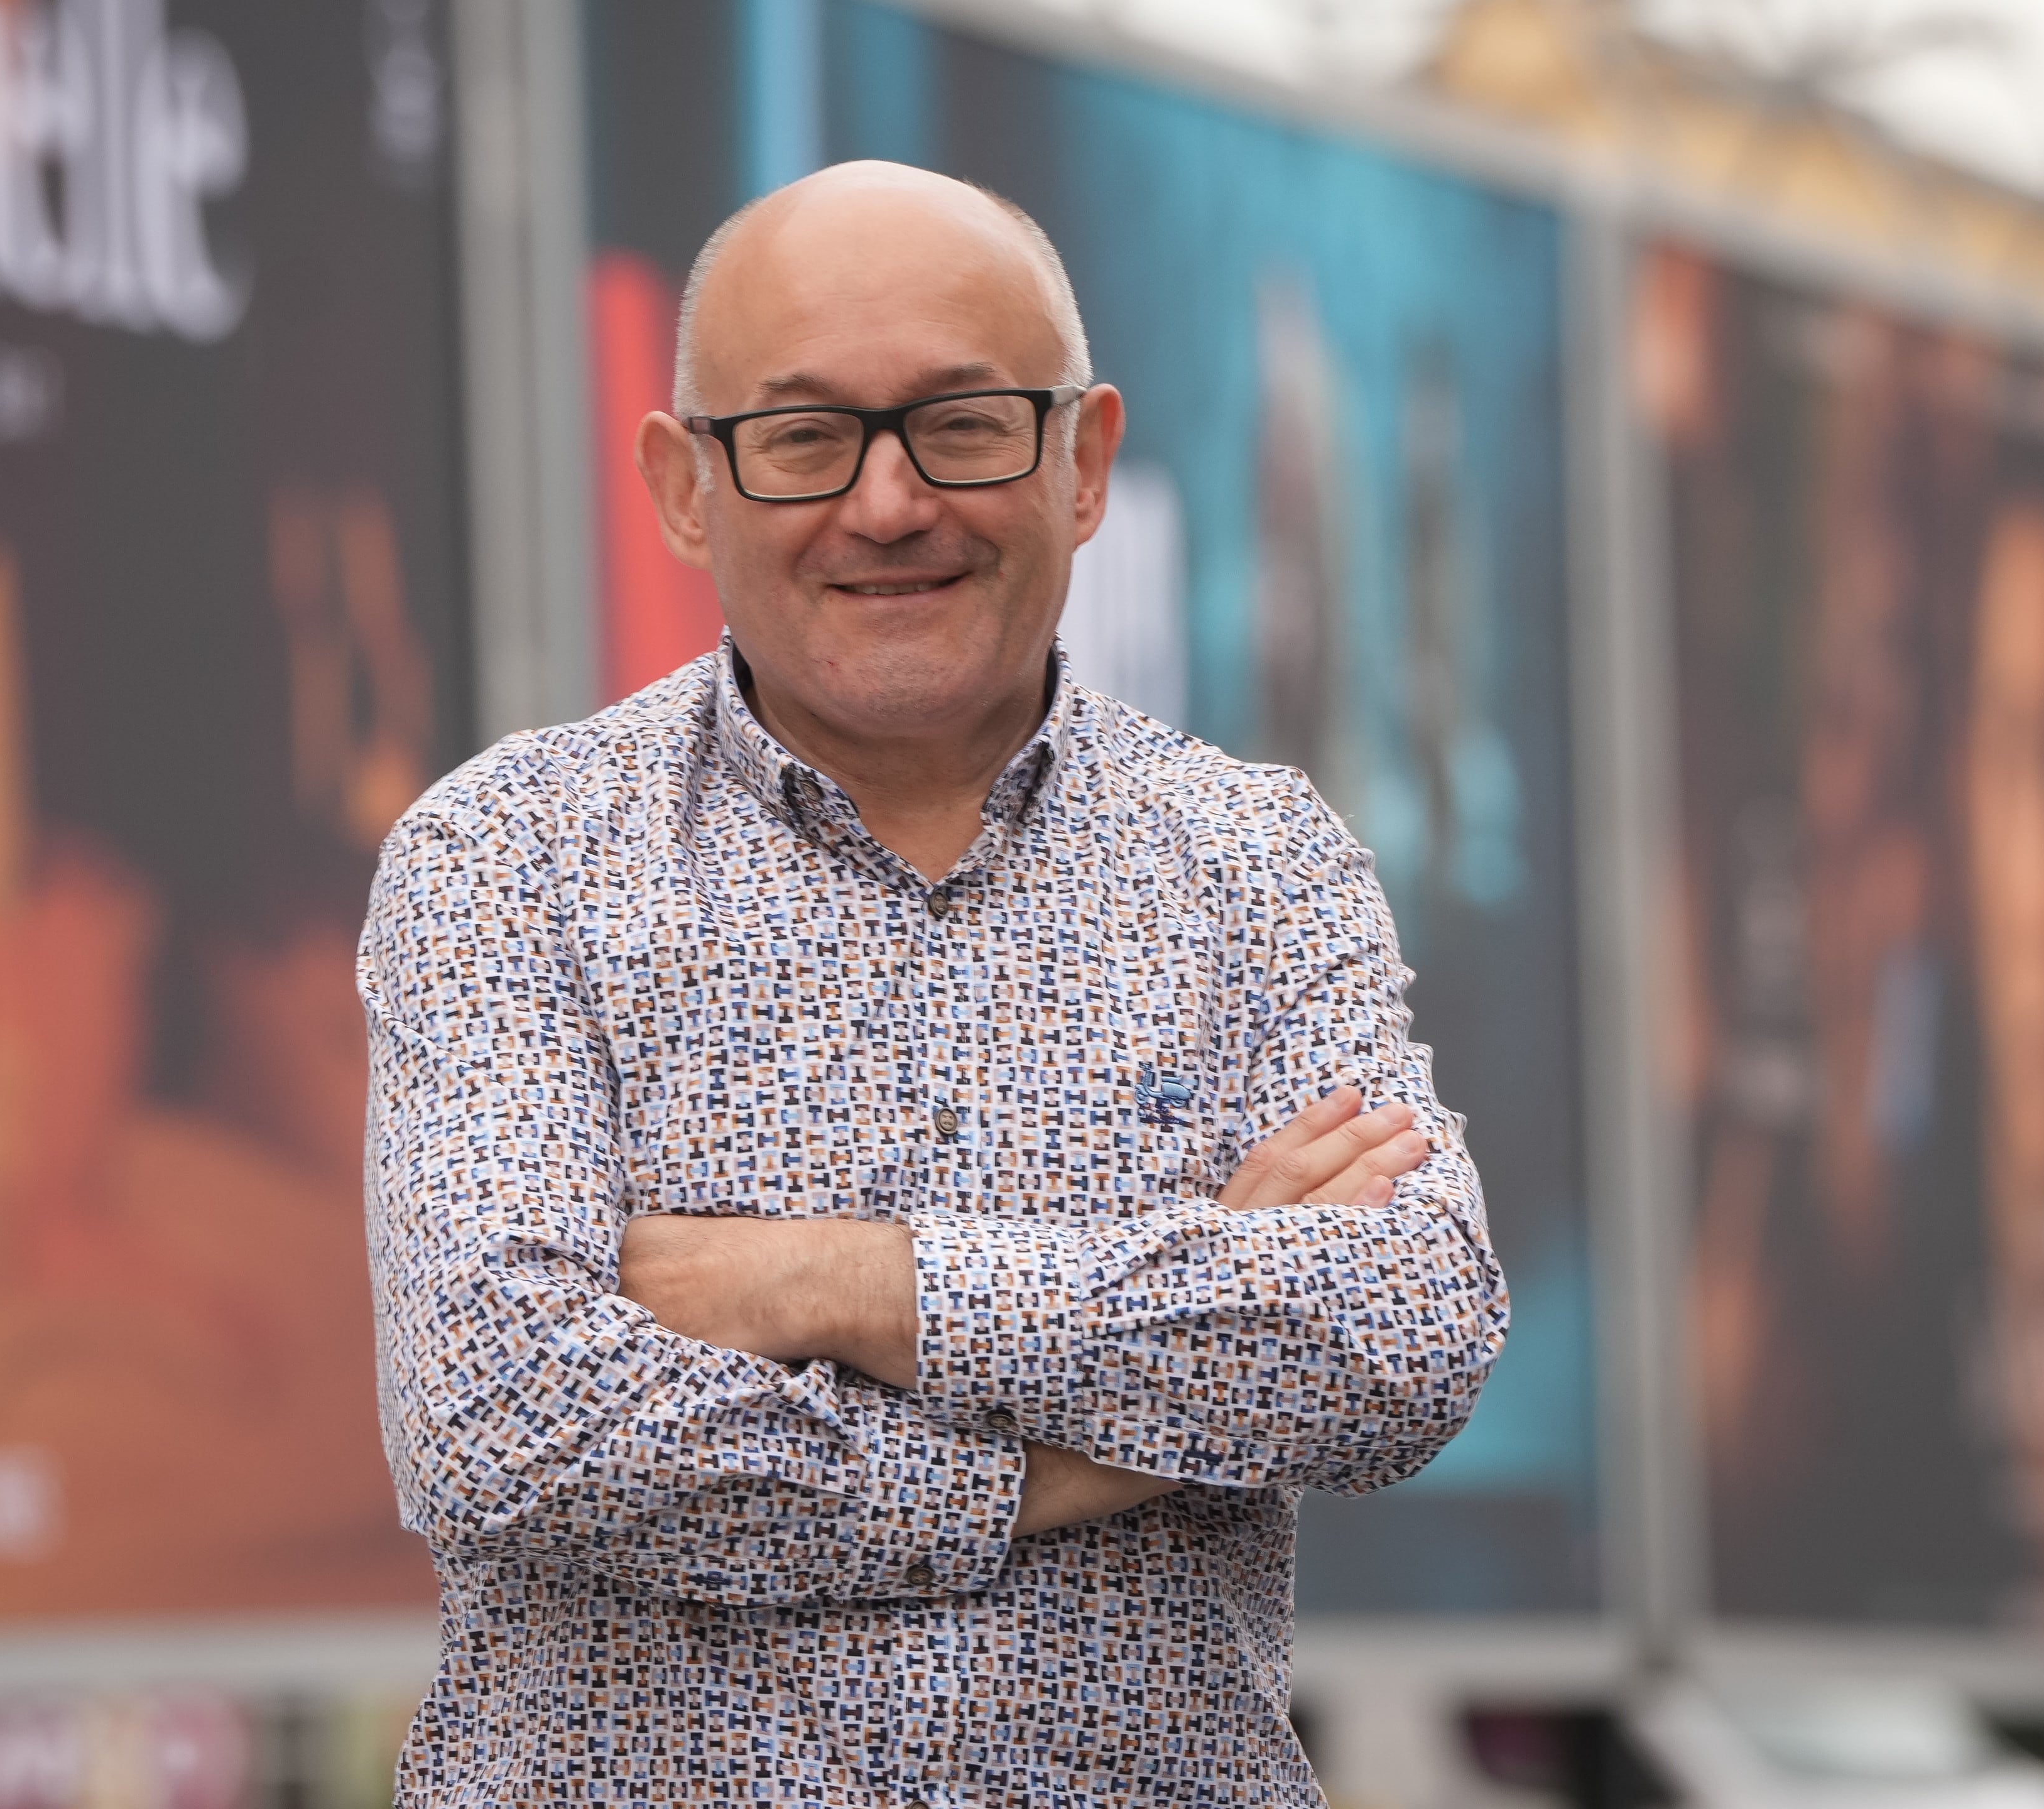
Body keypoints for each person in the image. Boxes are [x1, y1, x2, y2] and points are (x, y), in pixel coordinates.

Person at [359, 160, 1506, 1805]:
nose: (889, 504)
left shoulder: (1260, 860)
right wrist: (1075, 1454)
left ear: (1087, 459)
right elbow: (508, 1418)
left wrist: (833, 1285)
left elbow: (1402, 1335)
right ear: (686, 487)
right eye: (806, 438)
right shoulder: (511, 858)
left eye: (963, 424)